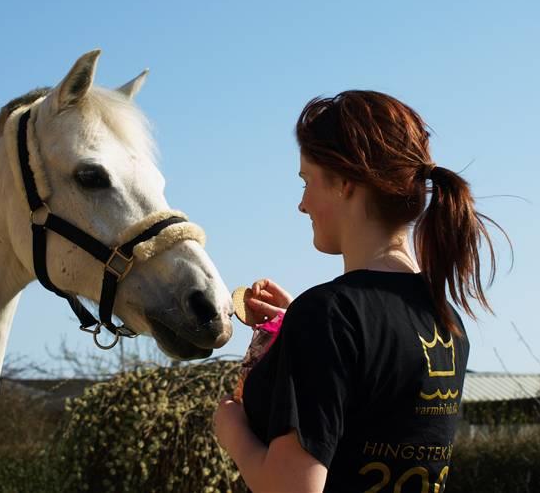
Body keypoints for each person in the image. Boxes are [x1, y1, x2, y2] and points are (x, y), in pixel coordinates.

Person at [213, 90, 507, 493]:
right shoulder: (444, 317)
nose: (302, 204)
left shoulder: (328, 316)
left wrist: (231, 429)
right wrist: (295, 324)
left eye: (307, 181)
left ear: (346, 182)